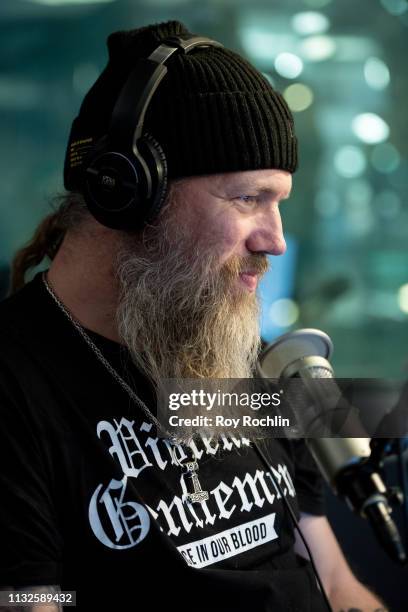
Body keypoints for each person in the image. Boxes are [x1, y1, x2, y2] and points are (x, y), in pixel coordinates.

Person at [0, 20, 387, 612]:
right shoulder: (13, 388)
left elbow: (334, 585)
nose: (276, 241)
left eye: (278, 202)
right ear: (126, 191)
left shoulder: (240, 358)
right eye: (247, 198)